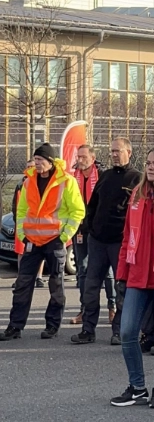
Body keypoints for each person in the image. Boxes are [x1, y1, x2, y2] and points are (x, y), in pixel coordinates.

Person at [111, 142, 154, 410]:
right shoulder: (138, 195)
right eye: (148, 163)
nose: (150, 168)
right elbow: (127, 235)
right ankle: (137, 386)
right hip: (137, 274)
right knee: (128, 330)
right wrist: (122, 273)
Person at [3, 143, 84, 340]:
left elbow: (78, 210)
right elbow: (22, 210)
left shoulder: (67, 181)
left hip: (55, 241)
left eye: (40, 160)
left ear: (50, 161)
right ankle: (15, 327)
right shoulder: (29, 180)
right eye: (36, 160)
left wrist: (64, 237)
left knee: (56, 284)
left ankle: (52, 326)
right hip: (32, 240)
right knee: (23, 284)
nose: (37, 164)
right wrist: (22, 233)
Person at [75, 136, 138, 345]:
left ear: (128, 152)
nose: (114, 155)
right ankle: (88, 330)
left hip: (119, 242)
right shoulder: (105, 176)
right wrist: (90, 227)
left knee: (122, 287)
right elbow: (92, 204)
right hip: (98, 240)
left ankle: (119, 331)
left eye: (117, 151)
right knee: (91, 286)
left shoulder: (136, 178)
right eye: (111, 151)